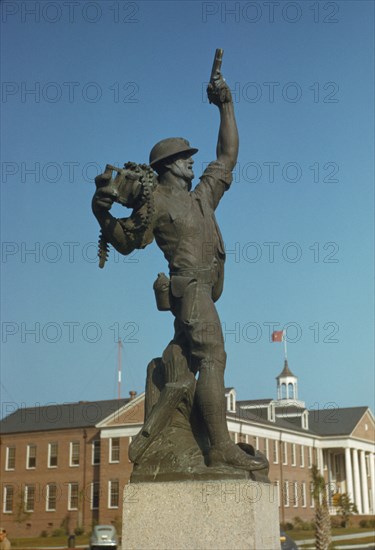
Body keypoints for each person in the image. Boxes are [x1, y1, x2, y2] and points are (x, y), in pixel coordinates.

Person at [92, 72, 268, 472]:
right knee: (213, 356)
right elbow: (125, 241)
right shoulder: (158, 206)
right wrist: (101, 213)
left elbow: (227, 156)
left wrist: (226, 104)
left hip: (206, 289)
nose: (193, 160)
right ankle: (220, 448)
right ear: (169, 166)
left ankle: (171, 434)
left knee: (179, 366)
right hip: (189, 292)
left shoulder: (201, 196)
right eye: (185, 156)